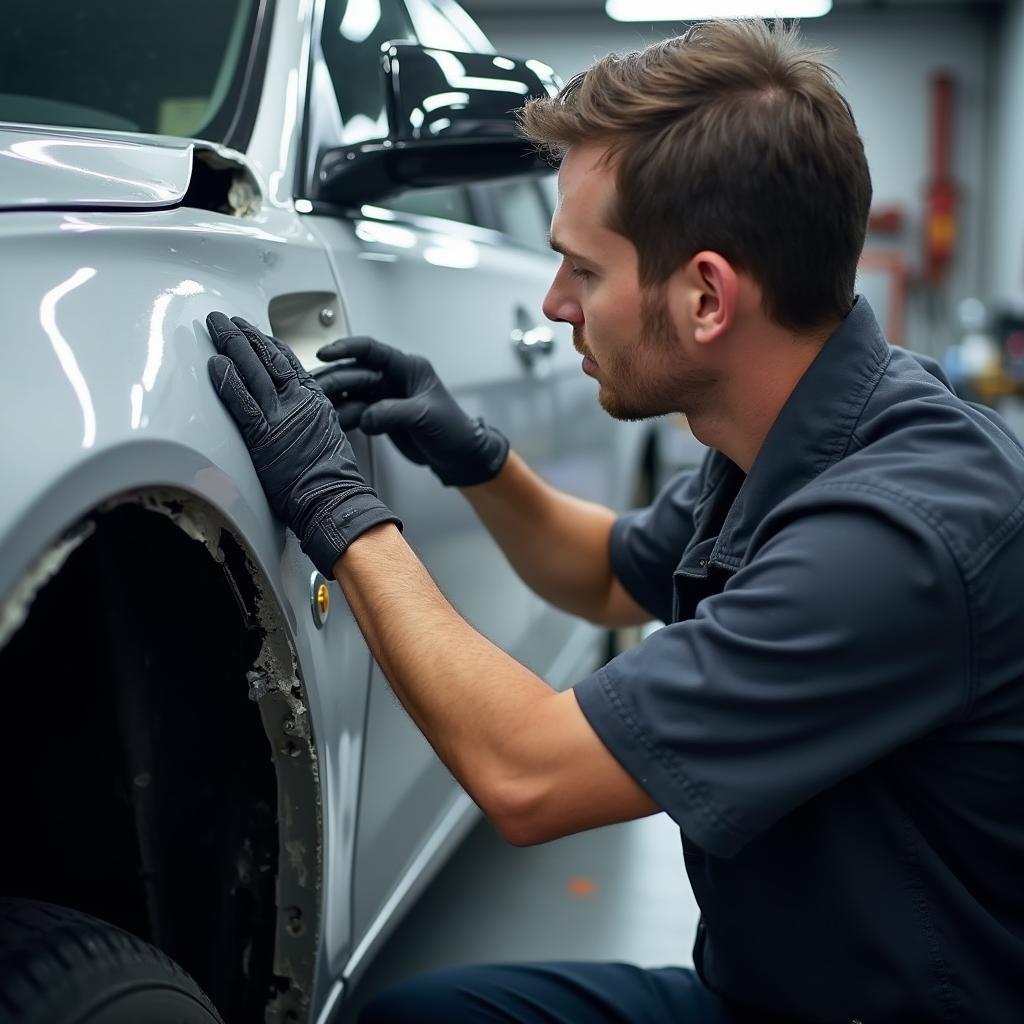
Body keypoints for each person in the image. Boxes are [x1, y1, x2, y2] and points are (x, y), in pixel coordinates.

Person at [204, 19, 1024, 1024]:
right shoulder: (786, 437)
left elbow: (524, 774)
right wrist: (474, 455)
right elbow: (601, 573)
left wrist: (341, 513)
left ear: (706, 297)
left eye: (582, 270)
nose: (552, 305)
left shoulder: (896, 537)